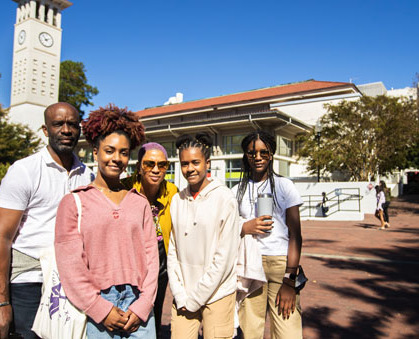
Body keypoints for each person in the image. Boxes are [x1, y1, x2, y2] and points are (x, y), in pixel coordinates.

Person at [0, 102, 94, 339]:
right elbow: (0, 238)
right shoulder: (24, 170)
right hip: (28, 281)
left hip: (69, 279)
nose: (66, 130)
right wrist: (0, 304)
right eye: (58, 124)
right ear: (45, 130)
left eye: (72, 124)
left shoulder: (88, 175)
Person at [55, 104, 158, 339]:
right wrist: (99, 309)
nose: (117, 158)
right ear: (95, 152)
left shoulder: (139, 202)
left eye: (123, 152)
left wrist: (143, 306)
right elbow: (71, 266)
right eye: (109, 150)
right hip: (96, 307)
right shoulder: (73, 202)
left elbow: (152, 259)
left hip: (138, 305)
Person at [167, 133, 240, 339]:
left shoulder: (225, 199)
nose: (190, 168)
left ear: (207, 163)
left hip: (217, 293)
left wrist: (196, 298)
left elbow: (224, 259)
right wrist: (180, 294)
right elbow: (173, 251)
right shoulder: (177, 200)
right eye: (184, 164)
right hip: (183, 295)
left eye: (195, 162)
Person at [232, 130, 304, 339]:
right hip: (249, 265)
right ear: (245, 156)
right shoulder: (237, 190)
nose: (258, 157)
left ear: (271, 154)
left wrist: (290, 281)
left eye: (264, 152)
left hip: (280, 265)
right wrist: (246, 227)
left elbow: (296, 235)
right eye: (252, 153)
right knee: (250, 332)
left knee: (287, 332)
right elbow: (227, 228)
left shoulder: (284, 185)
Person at [121, 142, 178, 338]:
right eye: (149, 164)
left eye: (162, 165)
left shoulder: (172, 191)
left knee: (154, 309)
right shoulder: (125, 189)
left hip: (161, 262)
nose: (156, 169)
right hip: (132, 262)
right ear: (139, 166)